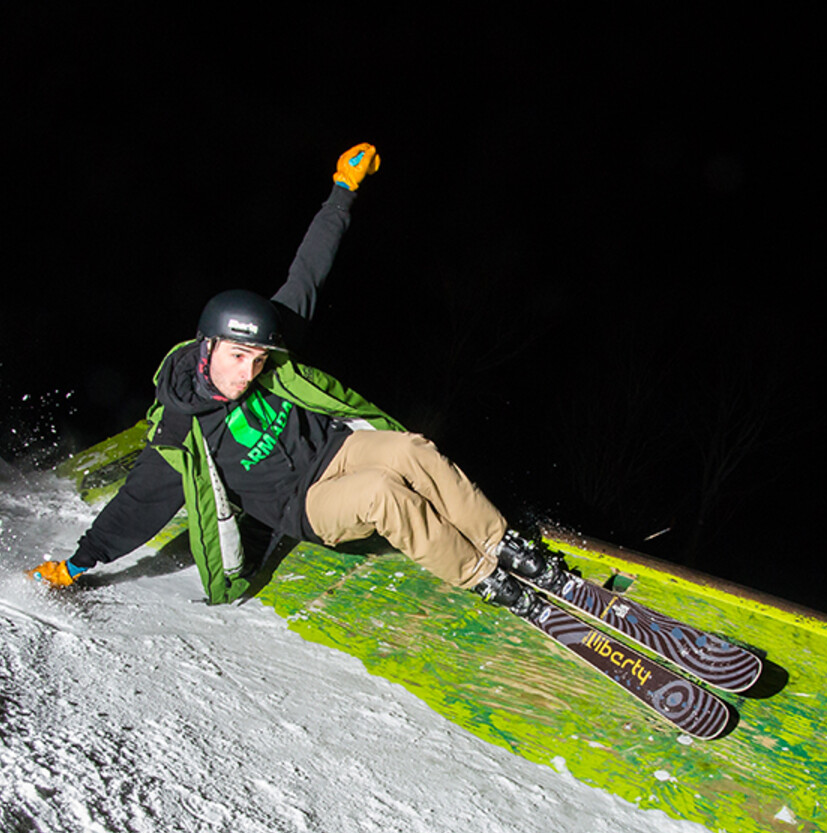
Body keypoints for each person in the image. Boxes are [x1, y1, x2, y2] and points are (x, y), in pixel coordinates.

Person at [27, 144, 554, 612]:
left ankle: (504, 545)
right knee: (382, 493)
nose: (248, 371)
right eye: (237, 357)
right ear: (206, 346)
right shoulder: (179, 429)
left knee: (411, 449)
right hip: (303, 506)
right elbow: (137, 506)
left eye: (258, 359)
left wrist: (342, 191)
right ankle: (483, 577)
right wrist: (78, 564)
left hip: (334, 452)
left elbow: (308, 272)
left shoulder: (266, 351)